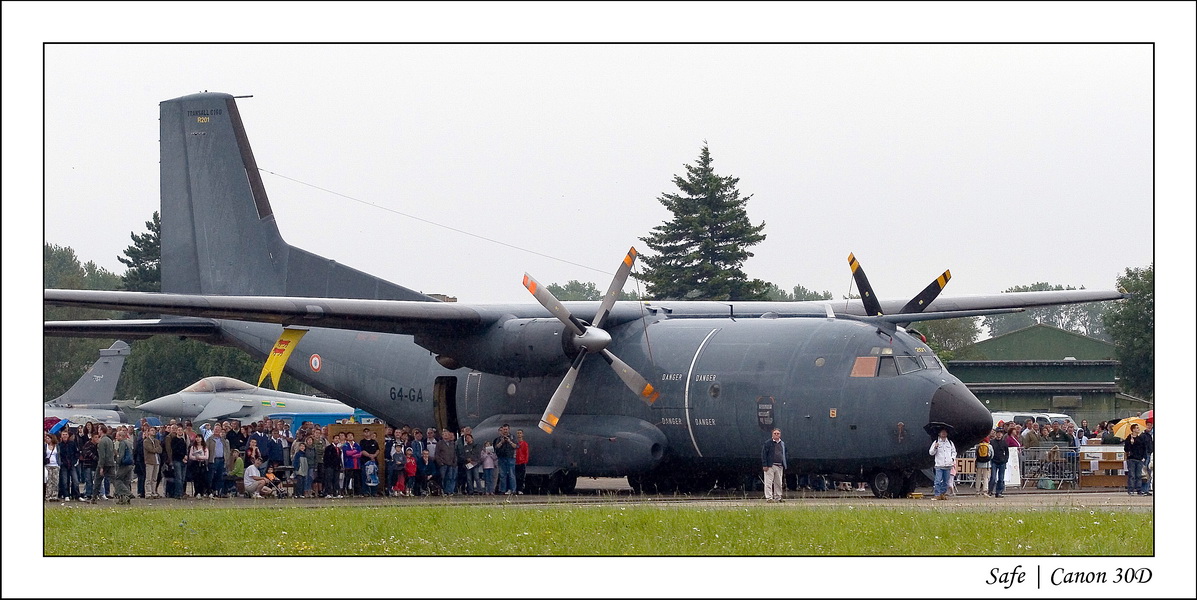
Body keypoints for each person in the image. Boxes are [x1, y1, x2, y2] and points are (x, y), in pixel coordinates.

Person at [1123, 423, 1151, 496]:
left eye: (1138, 428)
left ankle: (1139, 489)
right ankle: (1131, 489)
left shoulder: (1140, 438)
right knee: (1132, 475)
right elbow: (1126, 449)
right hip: (1131, 458)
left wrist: (1144, 457)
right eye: (1137, 428)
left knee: (1139, 475)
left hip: (1139, 459)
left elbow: (1144, 448)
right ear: (1133, 429)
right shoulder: (1129, 438)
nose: (1138, 429)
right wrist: (1130, 443)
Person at [929, 427, 956, 501]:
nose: (943, 434)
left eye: (945, 432)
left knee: (946, 481)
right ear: (939, 434)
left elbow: (954, 451)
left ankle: (942, 494)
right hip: (939, 465)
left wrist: (952, 459)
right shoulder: (936, 442)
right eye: (942, 432)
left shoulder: (950, 442)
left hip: (948, 465)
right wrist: (935, 447)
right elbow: (931, 452)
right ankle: (937, 494)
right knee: (938, 480)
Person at [760, 428, 787, 502]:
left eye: (778, 433)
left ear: (780, 434)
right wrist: (765, 465)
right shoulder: (768, 443)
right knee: (768, 482)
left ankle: (778, 497)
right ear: (772, 434)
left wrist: (784, 463)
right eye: (775, 433)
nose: (776, 435)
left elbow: (784, 453)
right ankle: (769, 498)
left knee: (778, 483)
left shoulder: (782, 444)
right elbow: (764, 454)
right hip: (770, 466)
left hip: (779, 466)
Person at [112, 428, 136, 504]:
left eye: (117, 436)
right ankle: (125, 500)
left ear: (121, 436)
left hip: (124, 465)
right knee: (126, 482)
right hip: (130, 464)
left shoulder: (122, 443)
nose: (116, 438)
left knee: (118, 479)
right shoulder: (129, 443)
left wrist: (117, 460)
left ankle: (128, 494)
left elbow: (121, 455)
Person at [93, 425, 116, 503]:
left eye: (99, 430)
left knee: (97, 481)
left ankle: (94, 498)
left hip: (104, 464)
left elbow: (102, 455)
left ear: (101, 431)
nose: (98, 431)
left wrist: (101, 467)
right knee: (114, 480)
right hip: (111, 463)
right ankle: (122, 495)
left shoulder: (102, 441)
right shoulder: (109, 440)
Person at [493, 424, 518, 494]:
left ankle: (513, 490)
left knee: (511, 474)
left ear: (509, 429)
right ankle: (502, 490)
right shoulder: (499, 438)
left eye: (506, 429)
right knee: (502, 474)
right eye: (504, 429)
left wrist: (509, 441)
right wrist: (502, 442)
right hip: (501, 458)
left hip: (510, 458)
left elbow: (516, 446)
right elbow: (496, 447)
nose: (505, 431)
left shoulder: (513, 437)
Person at [207, 426, 231, 498]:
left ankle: (219, 491)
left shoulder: (223, 440)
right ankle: (210, 491)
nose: (217, 431)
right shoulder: (209, 439)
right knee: (211, 477)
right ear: (213, 430)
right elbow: (207, 450)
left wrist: (227, 460)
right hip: (213, 460)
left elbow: (227, 450)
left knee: (220, 477)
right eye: (215, 429)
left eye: (218, 429)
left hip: (222, 460)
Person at [57, 430, 80, 501]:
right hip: (64, 465)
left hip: (72, 464)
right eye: (63, 434)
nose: (64, 436)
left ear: (68, 435)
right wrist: (61, 462)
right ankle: (66, 495)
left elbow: (77, 452)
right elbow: (59, 455)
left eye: (66, 434)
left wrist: (75, 460)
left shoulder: (72, 443)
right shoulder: (59, 445)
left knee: (75, 480)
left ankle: (76, 495)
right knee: (65, 481)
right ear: (61, 436)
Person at [435, 430, 458, 496]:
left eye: (447, 434)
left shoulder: (452, 443)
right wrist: (440, 462)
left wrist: (454, 462)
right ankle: (443, 490)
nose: (446, 436)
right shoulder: (439, 443)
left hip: (451, 464)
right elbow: (437, 454)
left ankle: (449, 491)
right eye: (444, 434)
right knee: (443, 478)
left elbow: (454, 453)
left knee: (450, 478)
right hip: (443, 464)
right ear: (442, 435)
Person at [990, 427, 1010, 498]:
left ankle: (999, 492)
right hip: (994, 461)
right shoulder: (992, 442)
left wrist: (1005, 459)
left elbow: (1007, 452)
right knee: (993, 477)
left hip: (1002, 462)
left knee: (1001, 478)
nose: (999, 434)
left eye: (1000, 433)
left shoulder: (1004, 442)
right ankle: (990, 491)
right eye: (998, 433)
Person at [45, 433, 61, 501]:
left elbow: (58, 455)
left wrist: (59, 464)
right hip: (48, 465)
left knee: (55, 481)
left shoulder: (56, 446)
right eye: (46, 438)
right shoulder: (45, 446)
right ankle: (48, 495)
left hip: (55, 465)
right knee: (49, 481)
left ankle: (54, 495)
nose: (47, 439)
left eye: (48, 438)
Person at [514, 429, 530, 494]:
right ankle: (515, 488)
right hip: (515, 462)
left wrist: (525, 461)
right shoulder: (515, 443)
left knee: (521, 477)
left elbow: (526, 453)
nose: (519, 434)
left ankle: (520, 489)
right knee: (515, 476)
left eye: (520, 433)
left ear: (522, 434)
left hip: (522, 462)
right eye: (518, 433)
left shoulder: (524, 444)